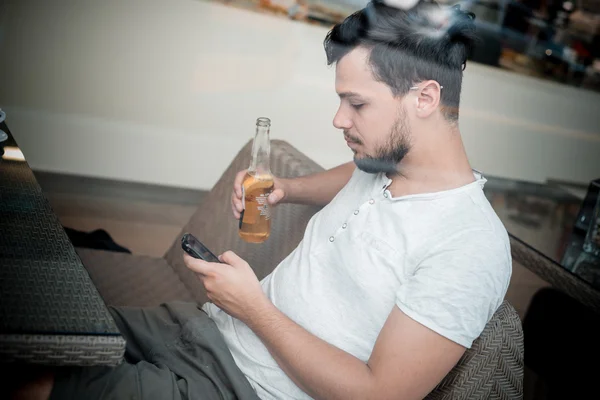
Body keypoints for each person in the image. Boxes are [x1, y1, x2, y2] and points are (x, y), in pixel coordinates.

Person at [10, 1, 511, 399]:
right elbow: (354, 178)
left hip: (240, 387)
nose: (339, 120)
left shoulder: (467, 246)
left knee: (32, 383)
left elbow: (378, 394)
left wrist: (253, 308)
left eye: (356, 103)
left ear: (424, 98)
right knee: (30, 334)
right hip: (202, 331)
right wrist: (289, 189)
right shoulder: (388, 162)